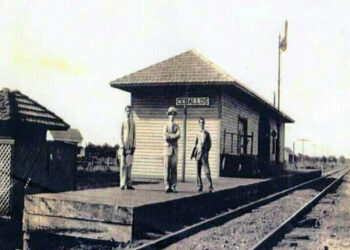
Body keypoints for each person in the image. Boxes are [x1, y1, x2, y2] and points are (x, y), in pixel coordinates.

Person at [191, 117, 213, 192]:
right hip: (198, 155)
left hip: (204, 155)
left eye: (203, 123)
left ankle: (210, 187)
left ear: (204, 124)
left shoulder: (207, 133)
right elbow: (195, 144)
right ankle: (199, 186)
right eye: (200, 123)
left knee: (207, 171)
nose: (201, 124)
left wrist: (206, 152)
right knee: (198, 172)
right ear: (198, 124)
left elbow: (210, 144)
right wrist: (193, 153)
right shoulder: (197, 133)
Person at [163, 106, 181, 193]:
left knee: (174, 169)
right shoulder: (165, 126)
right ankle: (167, 186)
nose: (172, 116)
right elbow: (165, 137)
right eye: (170, 114)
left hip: (175, 150)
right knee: (166, 168)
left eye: (174, 115)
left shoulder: (177, 126)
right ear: (168, 116)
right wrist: (173, 136)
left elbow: (179, 135)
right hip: (167, 149)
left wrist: (171, 136)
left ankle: (173, 186)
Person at [120, 105, 136, 190]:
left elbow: (134, 135)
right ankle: (122, 184)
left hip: (130, 146)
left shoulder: (133, 123)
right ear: (125, 111)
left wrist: (134, 146)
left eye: (130, 111)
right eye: (127, 111)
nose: (128, 112)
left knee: (129, 164)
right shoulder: (123, 122)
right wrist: (122, 146)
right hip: (124, 146)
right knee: (123, 165)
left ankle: (129, 184)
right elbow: (120, 135)